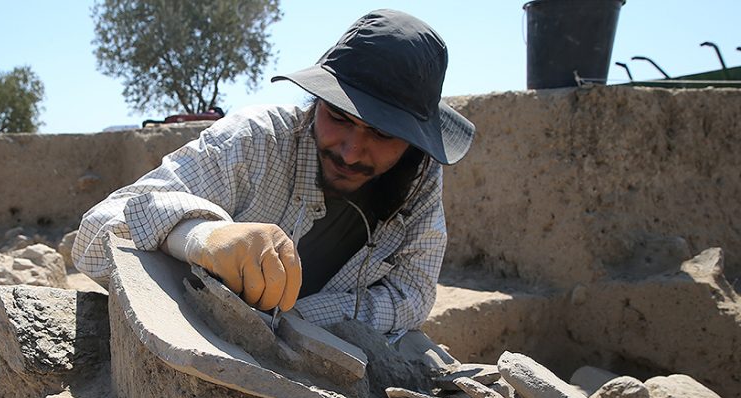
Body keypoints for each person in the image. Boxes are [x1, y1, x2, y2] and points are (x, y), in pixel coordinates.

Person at [72, 9, 475, 343]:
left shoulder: (418, 181)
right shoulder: (255, 142)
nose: (351, 151)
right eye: (338, 117)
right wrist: (201, 238)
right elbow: (94, 237)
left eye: (383, 133)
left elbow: (414, 294)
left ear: (412, 142)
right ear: (317, 101)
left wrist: (296, 316)